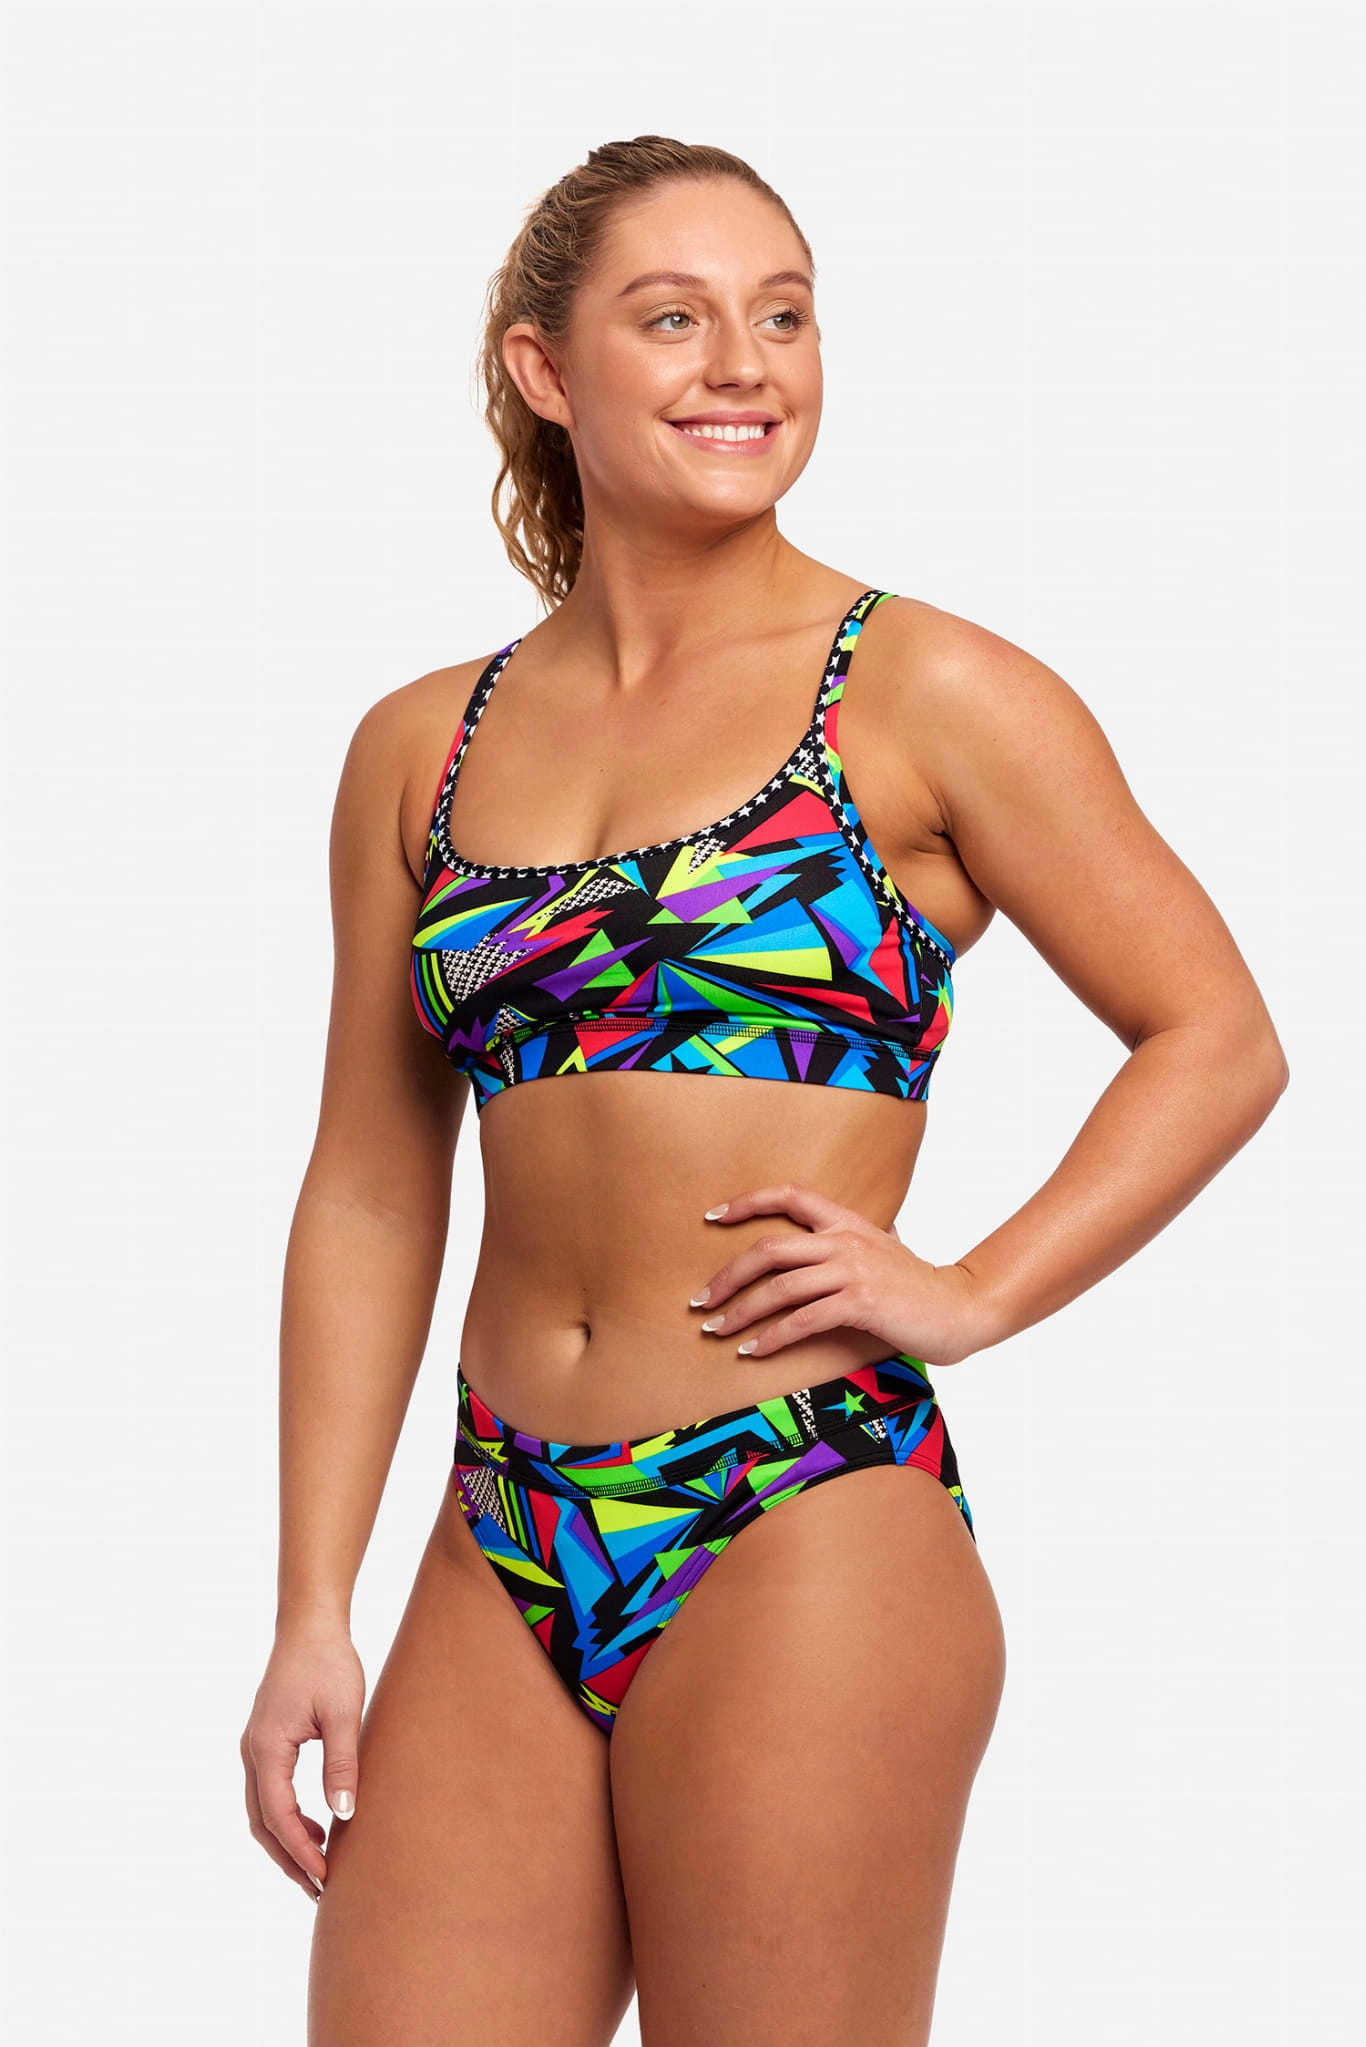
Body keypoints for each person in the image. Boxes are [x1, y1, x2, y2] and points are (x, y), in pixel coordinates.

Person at [240, 136, 1288, 2046]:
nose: (743, 364)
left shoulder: (923, 690)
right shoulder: (420, 746)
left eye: (783, 317)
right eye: (674, 319)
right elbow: (373, 1187)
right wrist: (314, 1603)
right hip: (502, 1525)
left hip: (794, 1503)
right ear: (542, 369)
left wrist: (971, 1291)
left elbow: (1214, 1035)